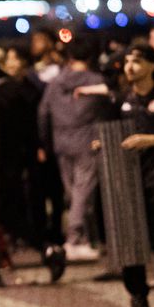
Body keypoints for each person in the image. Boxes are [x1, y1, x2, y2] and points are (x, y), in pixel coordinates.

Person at [78, 41, 154, 307]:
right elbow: (111, 133)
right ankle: (137, 298)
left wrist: (149, 140)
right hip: (126, 181)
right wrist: (101, 143)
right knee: (129, 240)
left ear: (153, 66)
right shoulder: (120, 100)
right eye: (128, 61)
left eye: (137, 61)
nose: (130, 66)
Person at [0, 46, 65, 288]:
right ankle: (49, 250)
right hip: (16, 165)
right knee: (13, 219)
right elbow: (29, 131)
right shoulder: (19, 92)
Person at [37, 36, 105, 261]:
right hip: (87, 139)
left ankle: (87, 239)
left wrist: (45, 142)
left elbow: (43, 113)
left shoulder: (56, 83)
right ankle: (75, 239)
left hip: (61, 141)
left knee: (73, 192)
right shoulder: (95, 81)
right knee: (83, 192)